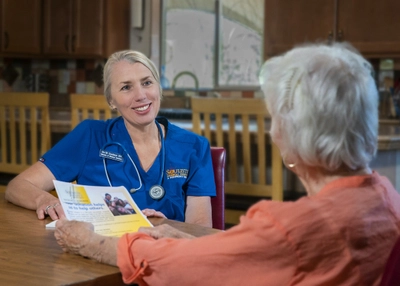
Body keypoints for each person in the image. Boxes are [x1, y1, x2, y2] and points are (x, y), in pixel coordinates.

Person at [54, 42, 400, 285]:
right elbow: (239, 257)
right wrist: (188, 241)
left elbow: (182, 269)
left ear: (290, 135)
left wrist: (89, 242)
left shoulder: (287, 229)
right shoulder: (387, 200)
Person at [5, 50, 216, 227]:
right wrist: (47, 200)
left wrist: (161, 230)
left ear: (158, 89)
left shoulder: (194, 147)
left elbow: (199, 228)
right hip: (99, 256)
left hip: (165, 255)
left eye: (147, 83)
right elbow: (18, 186)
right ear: (111, 100)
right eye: (126, 87)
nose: (141, 95)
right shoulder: (89, 136)